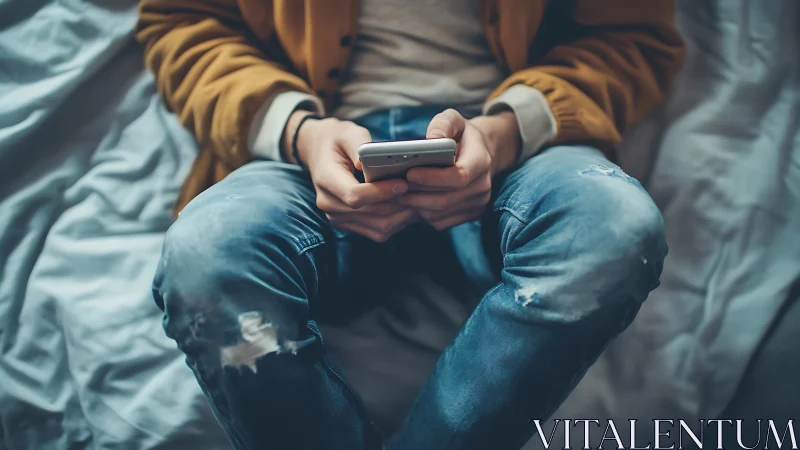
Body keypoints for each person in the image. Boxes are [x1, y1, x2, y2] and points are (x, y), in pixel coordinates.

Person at [137, 1, 684, 449]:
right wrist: (301, 133)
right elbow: (182, 22)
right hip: (306, 149)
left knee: (614, 229)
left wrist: (502, 134)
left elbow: (631, 37)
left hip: (513, 150)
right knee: (205, 257)